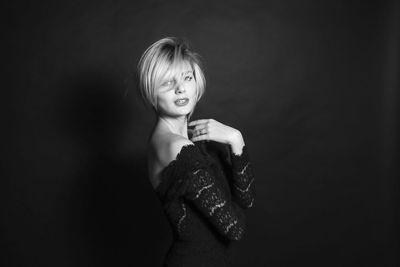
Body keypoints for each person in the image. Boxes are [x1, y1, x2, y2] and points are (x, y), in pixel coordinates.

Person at [137, 37, 255, 267]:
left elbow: (246, 198)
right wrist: (234, 139)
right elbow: (235, 228)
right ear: (151, 91)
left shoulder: (192, 140)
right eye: (167, 82)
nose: (180, 88)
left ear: (196, 81)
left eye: (187, 77)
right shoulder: (176, 148)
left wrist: (235, 139)